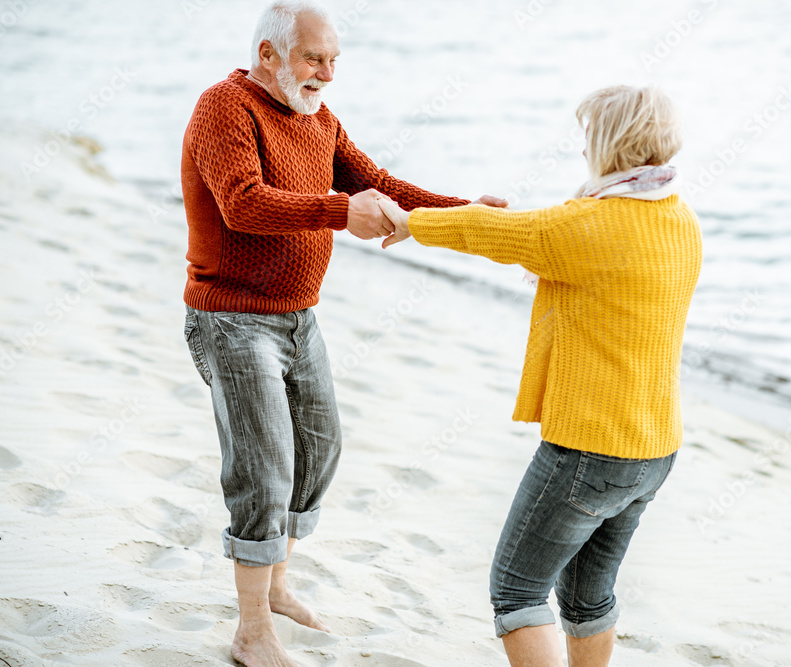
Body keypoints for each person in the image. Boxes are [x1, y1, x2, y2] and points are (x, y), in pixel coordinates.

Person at [180, 2, 506, 665]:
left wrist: (463, 211)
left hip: (300, 317)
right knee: (263, 469)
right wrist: (338, 212)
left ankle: (273, 586)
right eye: (313, 59)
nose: (327, 75)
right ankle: (250, 632)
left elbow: (377, 184)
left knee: (318, 453)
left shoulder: (319, 120)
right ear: (269, 54)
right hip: (232, 318)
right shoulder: (224, 107)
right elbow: (242, 204)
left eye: (334, 61)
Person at [378, 85, 702, 667]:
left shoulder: (586, 226)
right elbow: (566, 251)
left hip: (589, 450)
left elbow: (491, 235)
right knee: (586, 597)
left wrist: (412, 222)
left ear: (610, 144)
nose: (582, 153)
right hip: (653, 451)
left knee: (516, 591)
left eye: (588, 139)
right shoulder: (681, 220)